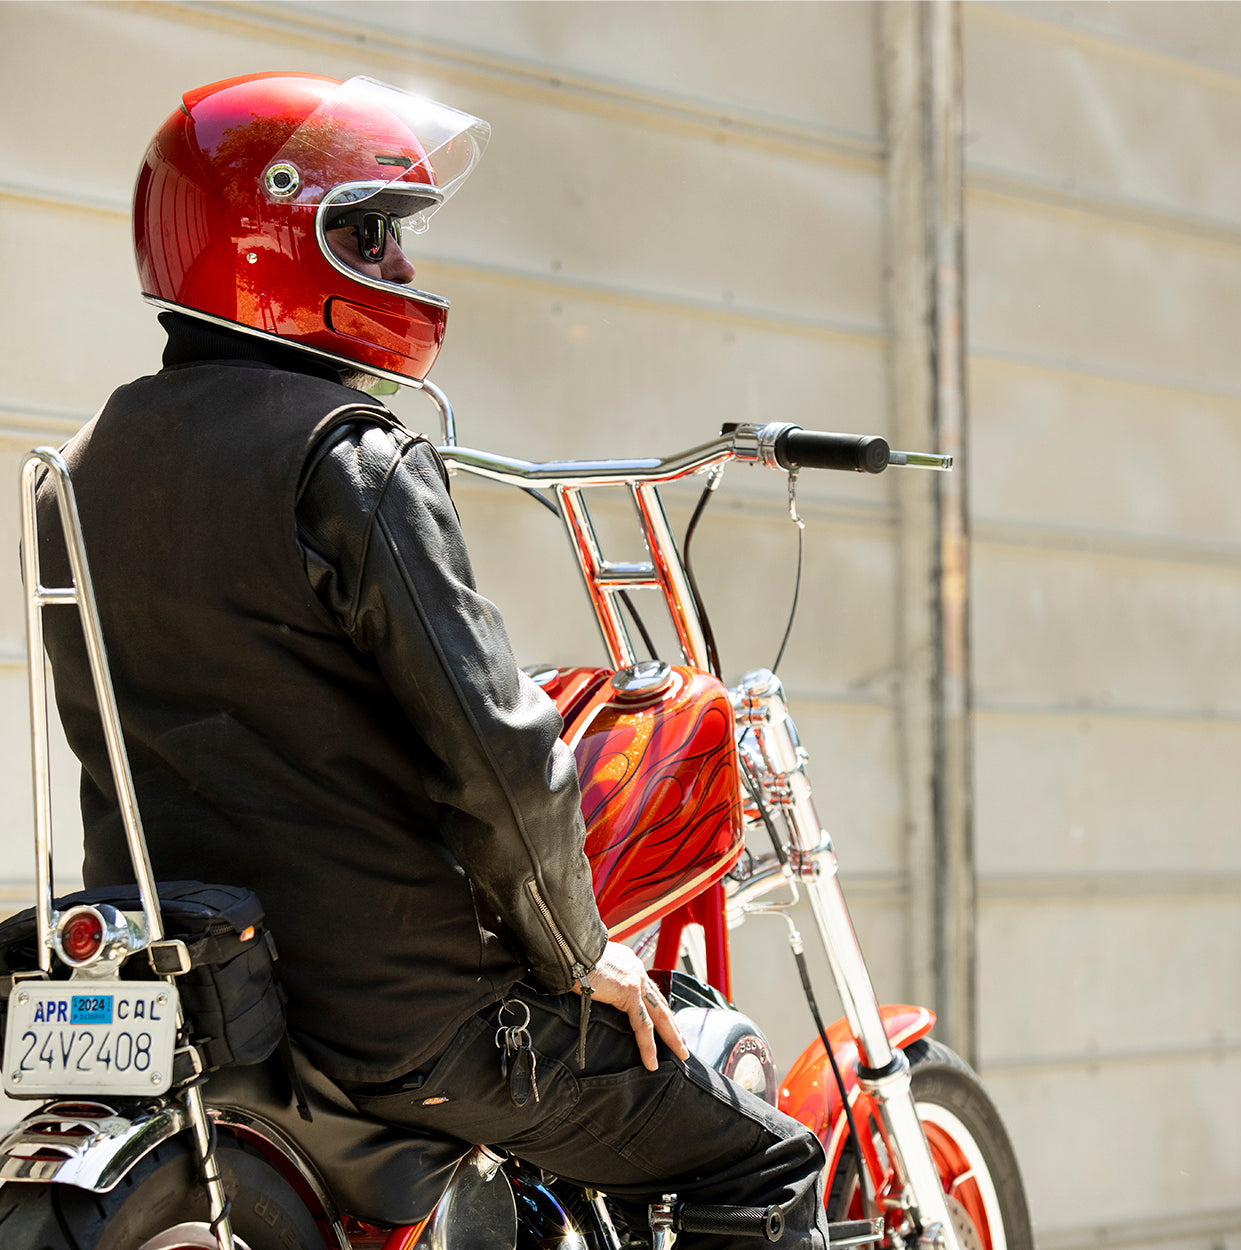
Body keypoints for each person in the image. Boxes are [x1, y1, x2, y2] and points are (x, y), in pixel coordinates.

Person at [38, 72, 829, 1247]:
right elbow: (497, 756)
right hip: (398, 1021)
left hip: (200, 998)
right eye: (365, 234)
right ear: (277, 241)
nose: (399, 268)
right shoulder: (350, 459)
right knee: (760, 1154)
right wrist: (582, 946)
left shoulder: (84, 467)